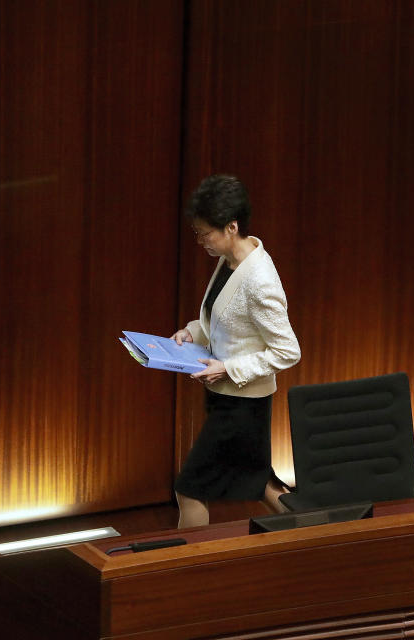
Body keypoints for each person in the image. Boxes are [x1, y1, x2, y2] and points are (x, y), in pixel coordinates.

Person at [170, 174, 300, 529]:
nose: (200, 241)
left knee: (190, 488)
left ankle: (186, 569)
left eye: (204, 233)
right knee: (260, 482)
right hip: (227, 397)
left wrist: (228, 368)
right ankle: (317, 536)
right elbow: (223, 319)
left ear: (231, 226)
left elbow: (288, 351)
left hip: (243, 401)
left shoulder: (260, 279)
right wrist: (191, 331)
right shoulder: (229, 260)